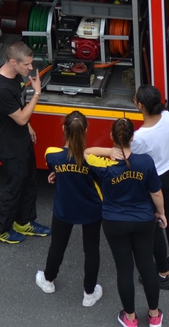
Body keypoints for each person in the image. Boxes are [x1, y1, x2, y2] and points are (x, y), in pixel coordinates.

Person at [86, 118, 166, 327]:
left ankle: (130, 318)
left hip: (114, 222)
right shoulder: (145, 162)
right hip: (143, 220)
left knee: (124, 269)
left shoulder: (105, 164)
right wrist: (162, 213)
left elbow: (85, 153)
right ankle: (154, 315)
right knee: (147, 266)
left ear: (112, 137)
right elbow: (156, 192)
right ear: (133, 137)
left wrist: (108, 151)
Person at [35, 111, 103, 307]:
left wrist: (58, 175)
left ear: (63, 129)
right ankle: (89, 294)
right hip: (91, 209)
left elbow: (58, 169)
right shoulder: (92, 160)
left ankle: (48, 280)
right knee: (91, 250)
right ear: (86, 130)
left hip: (64, 208)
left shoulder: (52, 155)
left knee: (58, 244)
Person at [0, 41, 51, 243]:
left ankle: (24, 221)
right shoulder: (0, 89)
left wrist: (28, 127)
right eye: (27, 65)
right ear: (13, 62)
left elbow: (19, 110)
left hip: (21, 139)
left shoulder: (14, 76)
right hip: (10, 147)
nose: (31, 68)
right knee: (14, 187)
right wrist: (37, 93)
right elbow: (21, 117)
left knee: (29, 182)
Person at [128, 85, 169, 287]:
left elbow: (127, 157)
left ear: (141, 106)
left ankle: (162, 275)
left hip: (154, 182)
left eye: (135, 100)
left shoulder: (140, 137)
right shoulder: (167, 117)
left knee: (155, 227)